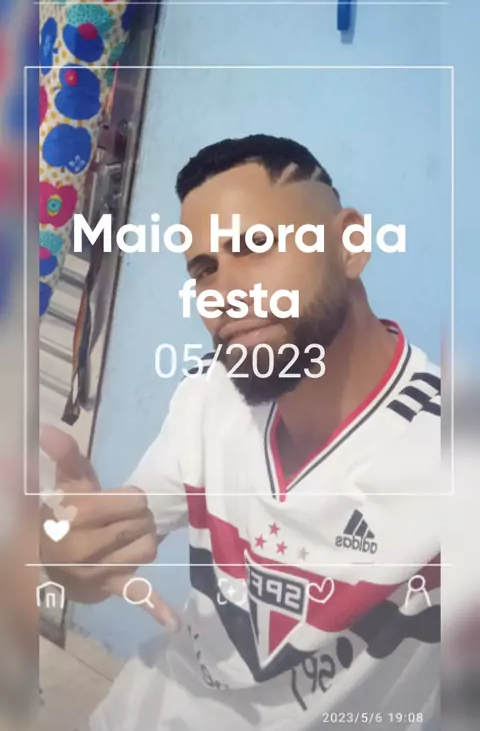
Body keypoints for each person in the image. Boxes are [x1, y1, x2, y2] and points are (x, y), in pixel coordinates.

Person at [41, 135, 441, 730]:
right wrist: (66, 555)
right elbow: (114, 529)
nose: (223, 295)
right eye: (204, 270)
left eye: (255, 246)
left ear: (350, 245)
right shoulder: (209, 395)